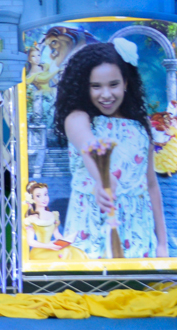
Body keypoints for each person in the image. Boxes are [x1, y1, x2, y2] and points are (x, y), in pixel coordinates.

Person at [53, 39, 168, 259]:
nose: (106, 94)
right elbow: (89, 147)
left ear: (126, 82)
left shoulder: (141, 125)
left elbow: (152, 184)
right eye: (96, 86)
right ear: (84, 87)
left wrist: (162, 244)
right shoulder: (78, 119)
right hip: (93, 230)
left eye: (113, 84)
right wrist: (102, 179)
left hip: (138, 233)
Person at [23, 181, 84, 261]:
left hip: (51, 248)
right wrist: (48, 245)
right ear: (33, 198)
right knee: (65, 253)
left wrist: (65, 242)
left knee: (75, 251)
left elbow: (57, 234)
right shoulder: (31, 219)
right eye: (38, 196)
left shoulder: (53, 215)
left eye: (45, 194)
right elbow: (30, 241)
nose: (44, 198)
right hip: (40, 251)